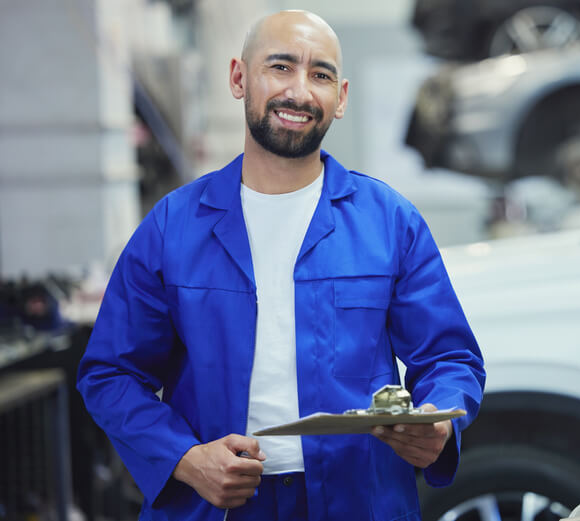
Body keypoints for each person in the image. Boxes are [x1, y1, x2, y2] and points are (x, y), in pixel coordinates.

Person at [77, 10, 485, 521]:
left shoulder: (389, 222)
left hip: (358, 499)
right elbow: (111, 373)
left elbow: (450, 357)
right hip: (217, 503)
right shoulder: (172, 227)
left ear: (341, 98)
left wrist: (437, 423)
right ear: (238, 78)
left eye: (321, 75)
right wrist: (185, 458)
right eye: (280, 66)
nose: (300, 91)